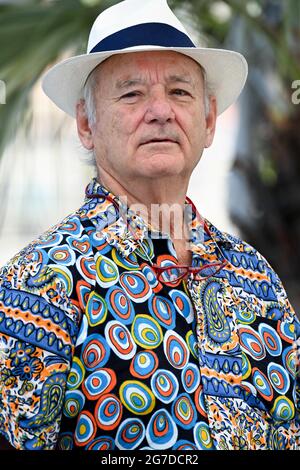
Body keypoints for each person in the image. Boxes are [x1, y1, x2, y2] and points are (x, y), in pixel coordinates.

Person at [0, 0, 298, 451]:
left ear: (209, 119)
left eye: (180, 92)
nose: (160, 111)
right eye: (131, 94)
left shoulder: (256, 279)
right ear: (86, 124)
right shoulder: (42, 280)